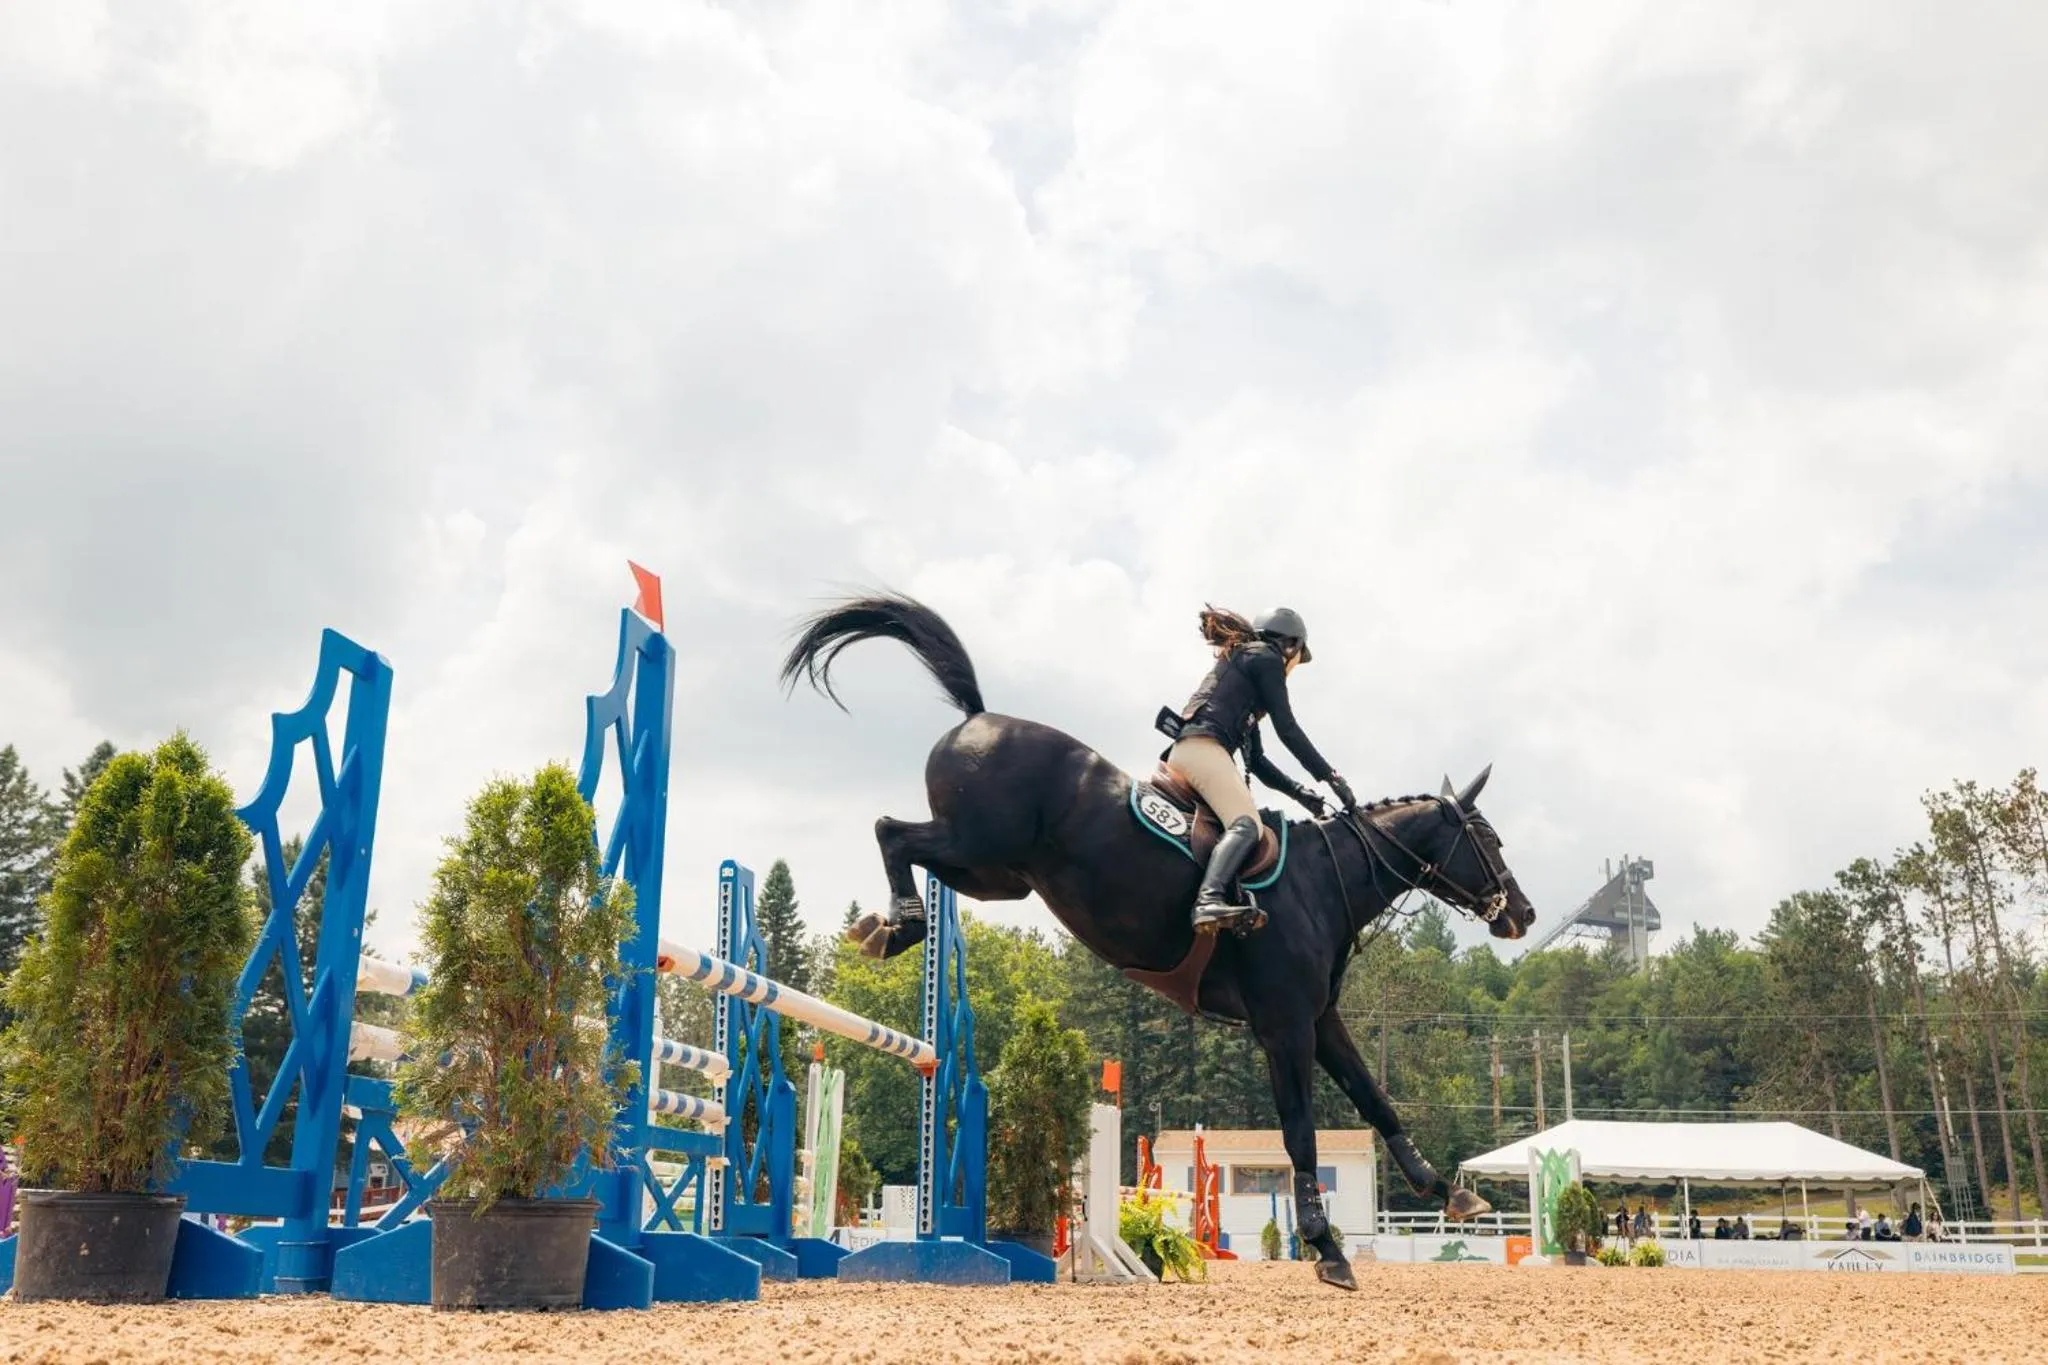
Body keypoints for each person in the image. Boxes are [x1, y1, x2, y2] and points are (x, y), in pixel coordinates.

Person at [1160, 606, 1354, 931]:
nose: (1293, 668)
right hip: (1204, 750)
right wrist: (1332, 777)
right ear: (1290, 646)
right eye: (1297, 659)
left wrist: (1301, 793)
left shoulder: (1245, 666)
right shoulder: (1266, 658)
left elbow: (1259, 762)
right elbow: (1288, 729)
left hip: (1188, 751)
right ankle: (1208, 900)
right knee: (1247, 825)